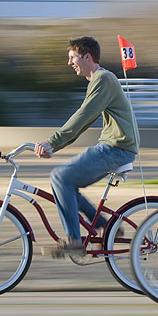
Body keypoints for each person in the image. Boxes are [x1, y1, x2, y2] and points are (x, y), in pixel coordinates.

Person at [34, 36, 139, 257]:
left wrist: (52, 142)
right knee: (63, 181)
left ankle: (73, 239)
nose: (69, 62)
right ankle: (104, 225)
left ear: (87, 56)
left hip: (116, 148)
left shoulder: (103, 79)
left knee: (61, 177)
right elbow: (85, 119)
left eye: (72, 57)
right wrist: (55, 144)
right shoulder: (99, 81)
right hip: (114, 147)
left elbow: (83, 117)